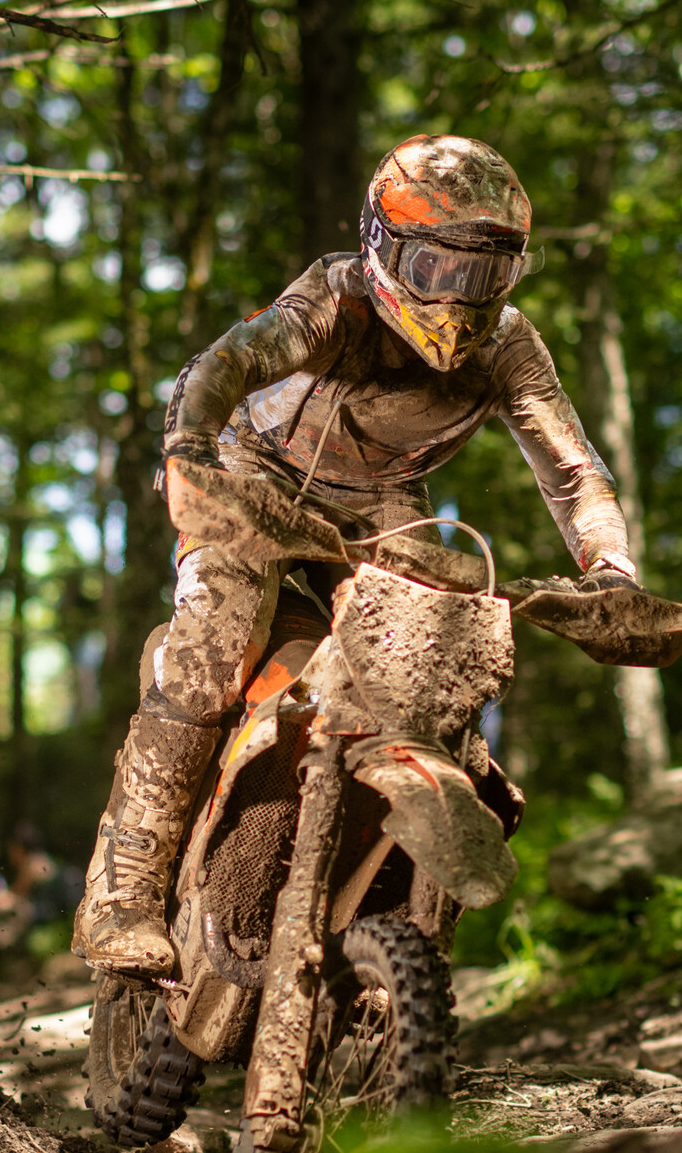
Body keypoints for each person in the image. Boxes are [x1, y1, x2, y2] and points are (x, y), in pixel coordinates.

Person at [74, 134, 638, 977]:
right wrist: (189, 452)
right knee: (214, 639)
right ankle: (124, 888)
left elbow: (571, 471)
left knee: (436, 667)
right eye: (438, 269)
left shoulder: (511, 347)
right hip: (253, 470)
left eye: (485, 275)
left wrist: (610, 570)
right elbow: (223, 365)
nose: (459, 297)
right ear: (382, 246)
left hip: (378, 504)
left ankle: (384, 905)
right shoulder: (334, 301)